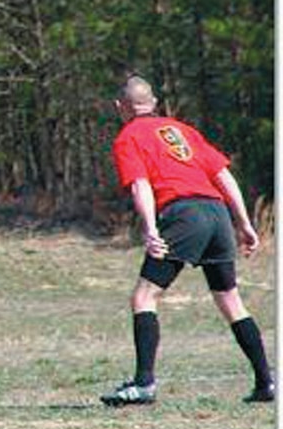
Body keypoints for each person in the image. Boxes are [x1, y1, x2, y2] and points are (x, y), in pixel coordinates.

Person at [100, 76, 274, 406]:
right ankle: (266, 381)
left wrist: (150, 229)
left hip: (183, 214)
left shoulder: (128, 137)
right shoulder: (182, 130)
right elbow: (223, 175)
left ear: (120, 107)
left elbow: (140, 185)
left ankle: (144, 384)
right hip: (217, 212)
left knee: (144, 297)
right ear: (153, 103)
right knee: (231, 301)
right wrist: (244, 223)